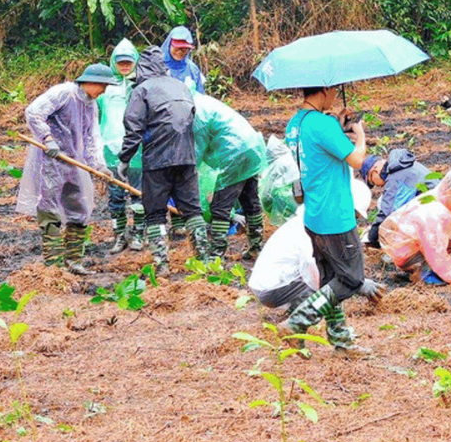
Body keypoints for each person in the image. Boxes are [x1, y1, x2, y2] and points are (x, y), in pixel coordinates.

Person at [280, 84, 372, 349]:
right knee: (351, 279)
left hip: (313, 212)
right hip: (335, 214)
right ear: (325, 89)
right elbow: (357, 160)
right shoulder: (323, 125)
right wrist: (360, 134)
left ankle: (341, 339)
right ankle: (299, 320)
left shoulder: (295, 124)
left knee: (332, 280)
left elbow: (321, 151)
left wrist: (338, 125)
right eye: (333, 91)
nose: (334, 97)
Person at [20, 63, 116, 273]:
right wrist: (47, 138)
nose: (103, 91)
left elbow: (92, 137)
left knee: (80, 208)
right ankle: (53, 267)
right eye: (102, 86)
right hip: (52, 160)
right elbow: (34, 112)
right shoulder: (63, 93)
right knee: (50, 208)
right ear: (90, 81)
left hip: (75, 161)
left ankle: (74, 262)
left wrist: (100, 166)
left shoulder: (91, 104)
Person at [117, 51, 200, 264]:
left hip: (157, 159)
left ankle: (161, 264)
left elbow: (133, 128)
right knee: (192, 210)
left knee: (154, 213)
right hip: (187, 157)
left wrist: (124, 159)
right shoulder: (180, 86)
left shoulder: (142, 90)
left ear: (142, 68)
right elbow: (191, 117)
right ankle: (206, 260)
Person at [191, 93, 271, 262]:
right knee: (250, 200)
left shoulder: (198, 114)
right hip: (252, 148)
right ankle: (257, 246)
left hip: (234, 154)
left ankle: (217, 253)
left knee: (221, 205)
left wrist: (187, 174)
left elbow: (197, 151)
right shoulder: (204, 102)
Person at [381, 167, 451, 292]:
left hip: (425, 243)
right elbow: (435, 252)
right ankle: (423, 273)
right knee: (437, 255)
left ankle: (440, 272)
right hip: (406, 251)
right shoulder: (431, 213)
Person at [95, 38, 142, 255]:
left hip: (138, 150)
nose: (124, 65)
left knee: (139, 194)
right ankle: (119, 234)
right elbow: (95, 118)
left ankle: (139, 234)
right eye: (120, 62)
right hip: (110, 150)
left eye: (128, 62)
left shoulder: (142, 85)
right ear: (114, 62)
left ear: (135, 61)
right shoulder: (105, 88)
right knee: (115, 196)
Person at [246, 213, 320, 320]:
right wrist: (322, 294)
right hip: (270, 289)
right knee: (322, 276)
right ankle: (299, 318)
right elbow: (310, 264)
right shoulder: (306, 229)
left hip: (265, 284)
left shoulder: (297, 223)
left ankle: (296, 310)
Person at [159, 24, 208, 95]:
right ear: (169, 45)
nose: (180, 52)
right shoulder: (157, 66)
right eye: (177, 48)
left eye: (184, 49)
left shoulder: (192, 69)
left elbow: (201, 95)